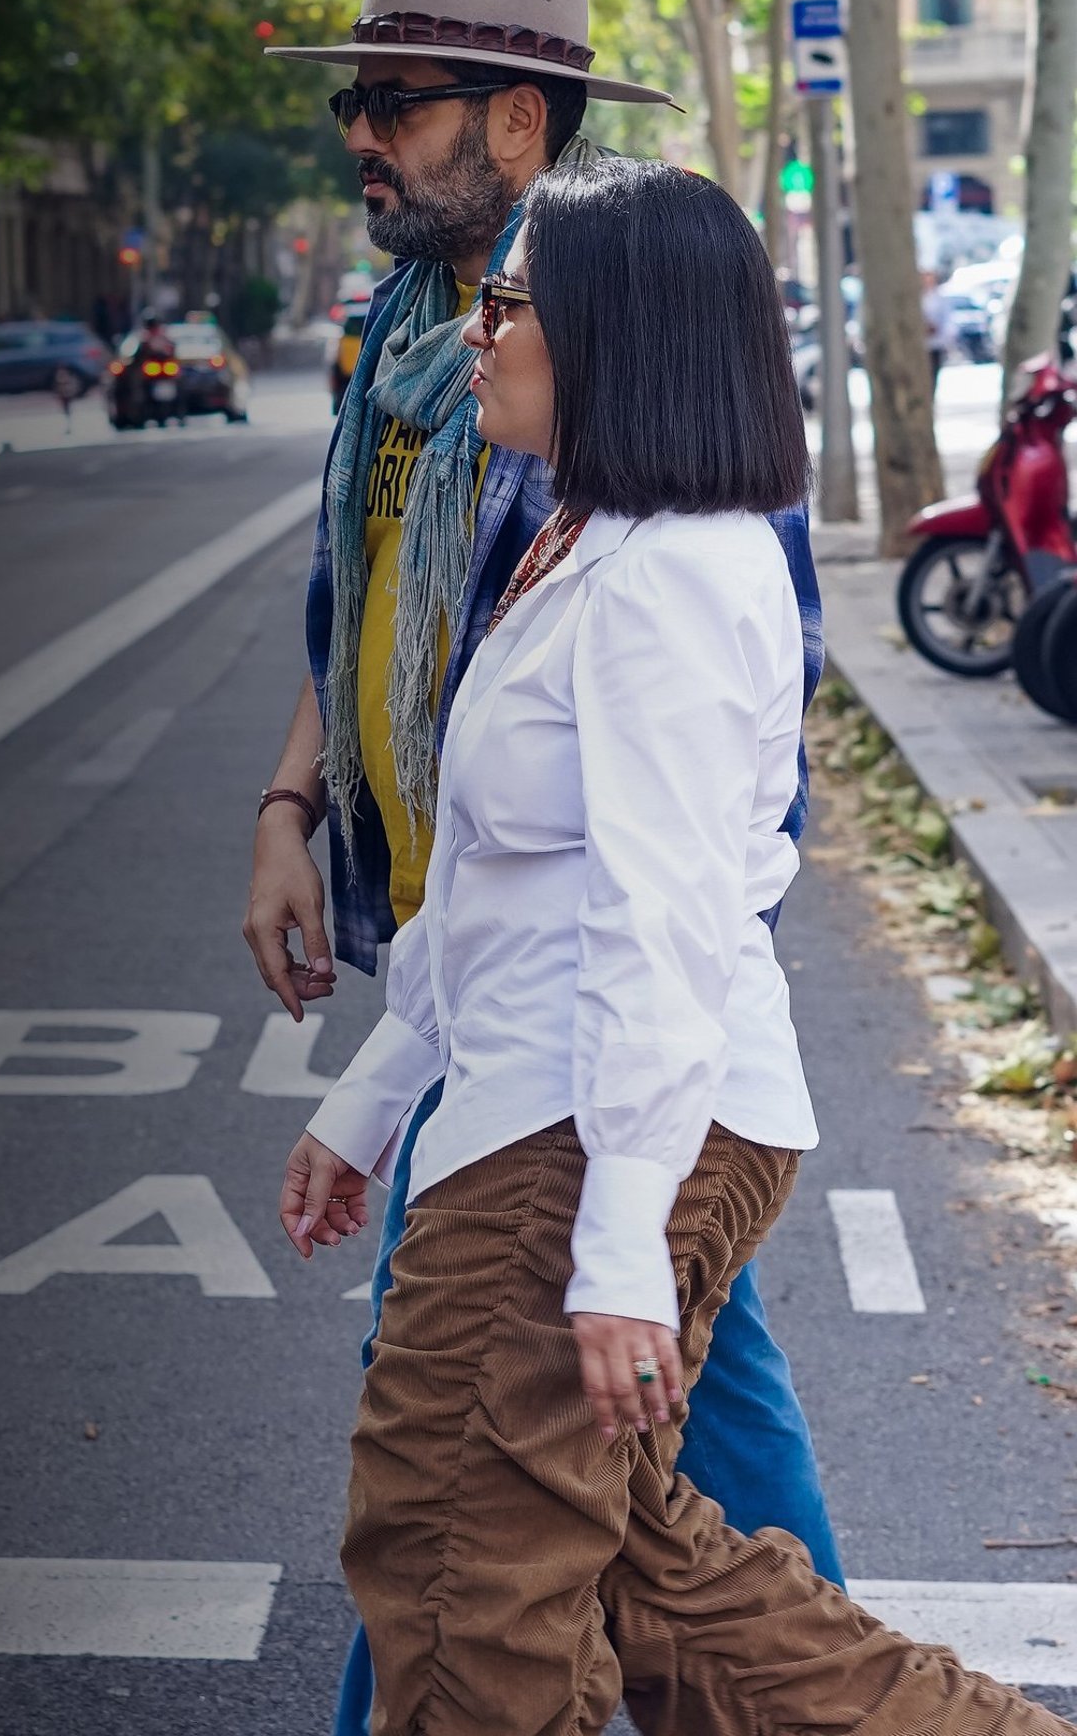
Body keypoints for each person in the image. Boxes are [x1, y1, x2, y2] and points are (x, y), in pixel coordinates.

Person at [279, 154, 1068, 1736]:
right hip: (550, 1098)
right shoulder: (585, 541)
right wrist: (370, 1099)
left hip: (584, 1124)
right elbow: (498, 887)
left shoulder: (674, 579)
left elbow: (664, 920)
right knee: (654, 1578)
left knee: (455, 1581)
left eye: (513, 304)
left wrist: (620, 1236)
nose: (478, 332)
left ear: (615, 335)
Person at [242, 0, 840, 1730]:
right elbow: (358, 610)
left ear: (514, 119)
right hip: (483, 982)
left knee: (466, 1517)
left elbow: (711, 810)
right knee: (640, 1524)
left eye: (393, 101)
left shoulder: (605, 334)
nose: (359, 131)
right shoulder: (421, 334)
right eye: (355, 97)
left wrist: (610, 1165)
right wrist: (296, 801)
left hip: (578, 1041)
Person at [922, 267, 957, 397]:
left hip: (935, 344)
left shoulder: (940, 297)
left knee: (932, 377)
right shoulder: (916, 297)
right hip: (918, 345)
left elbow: (948, 321)